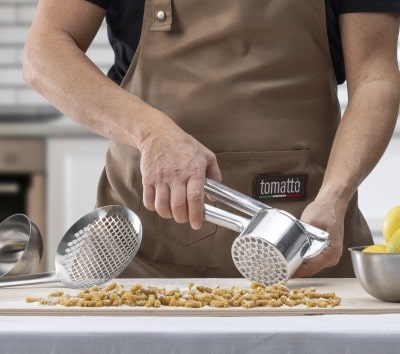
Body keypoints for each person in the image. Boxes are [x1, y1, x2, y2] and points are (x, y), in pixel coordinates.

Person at [23, 0, 400, 279]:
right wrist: (151, 132)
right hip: (143, 266)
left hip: (309, 256)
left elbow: (375, 78)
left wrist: (334, 196)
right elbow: (44, 52)